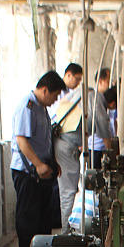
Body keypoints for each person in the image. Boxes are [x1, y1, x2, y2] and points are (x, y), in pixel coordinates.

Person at [11, 70, 66, 247]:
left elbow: (44, 140)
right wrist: (38, 165)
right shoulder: (27, 107)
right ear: (44, 90)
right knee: (28, 214)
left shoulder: (41, 108)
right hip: (27, 172)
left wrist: (52, 162)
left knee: (44, 213)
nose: (55, 99)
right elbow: (21, 141)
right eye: (55, 95)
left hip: (42, 168)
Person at [50, 62, 83, 230]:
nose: (78, 83)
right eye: (76, 79)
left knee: (65, 190)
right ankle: (64, 230)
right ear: (68, 75)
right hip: (63, 146)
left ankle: (63, 225)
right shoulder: (61, 98)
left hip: (63, 146)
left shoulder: (70, 95)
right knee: (67, 191)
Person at [87, 67, 113, 168]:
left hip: (101, 147)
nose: (110, 84)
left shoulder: (104, 98)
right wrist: (110, 151)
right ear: (100, 81)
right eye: (108, 81)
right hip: (96, 147)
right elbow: (102, 123)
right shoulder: (95, 98)